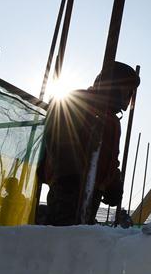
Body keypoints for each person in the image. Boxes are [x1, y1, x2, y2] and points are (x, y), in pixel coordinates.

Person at [36, 62, 139, 226]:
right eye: (128, 90)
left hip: (93, 191)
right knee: (64, 239)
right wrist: (68, 173)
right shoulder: (77, 101)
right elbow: (57, 136)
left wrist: (113, 183)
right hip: (68, 189)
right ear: (116, 86)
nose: (130, 97)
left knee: (80, 241)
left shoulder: (112, 120)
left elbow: (108, 158)